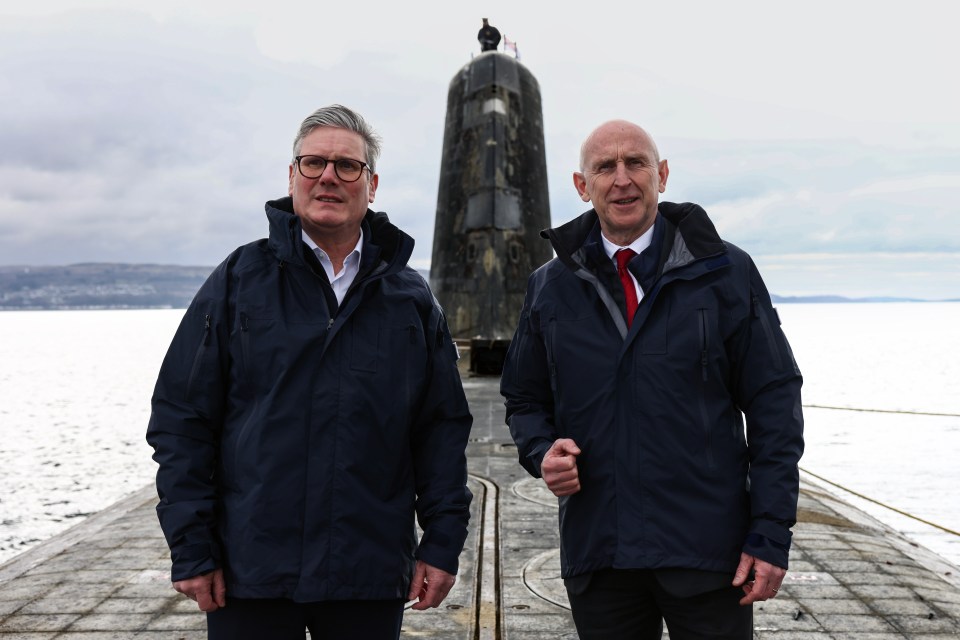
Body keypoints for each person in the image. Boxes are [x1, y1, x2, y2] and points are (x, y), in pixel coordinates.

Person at [147, 104, 473, 640]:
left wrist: (441, 543)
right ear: (292, 176)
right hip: (249, 572)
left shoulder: (410, 299)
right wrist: (192, 548)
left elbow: (438, 430)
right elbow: (181, 421)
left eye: (347, 166)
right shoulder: (237, 281)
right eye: (314, 162)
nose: (329, 176)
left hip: (366, 573)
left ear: (371, 185)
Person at [500, 119, 804, 639]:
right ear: (582, 185)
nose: (622, 179)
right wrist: (541, 450)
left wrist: (770, 533)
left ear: (661, 175)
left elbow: (775, 402)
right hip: (601, 550)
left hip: (708, 551)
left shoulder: (726, 271)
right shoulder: (549, 287)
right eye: (604, 167)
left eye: (635, 163)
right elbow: (524, 397)